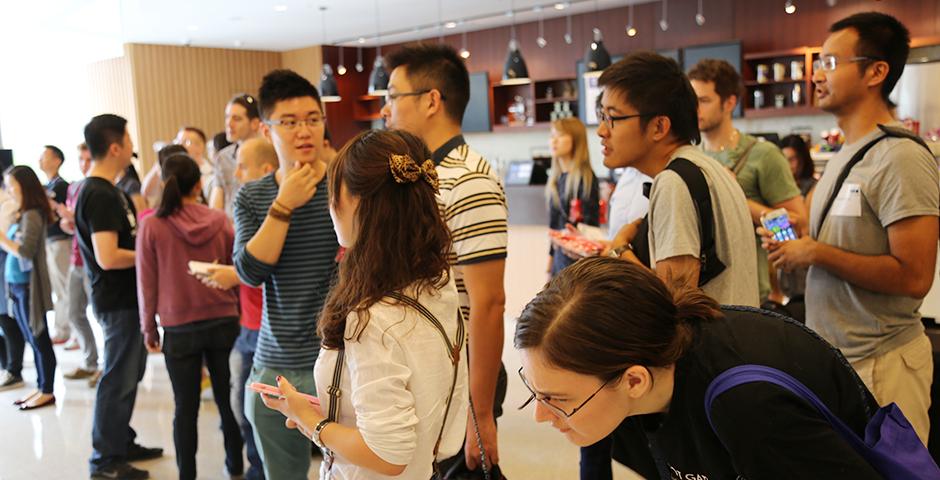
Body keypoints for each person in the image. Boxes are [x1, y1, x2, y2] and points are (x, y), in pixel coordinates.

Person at [517, 256, 887, 479]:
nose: (541, 415)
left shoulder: (749, 407)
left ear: (634, 380)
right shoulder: (632, 396)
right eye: (535, 392)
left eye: (558, 399)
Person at [761, 12, 939, 444]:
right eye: (817, 64)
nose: (817, 76)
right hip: (837, 361)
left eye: (830, 63)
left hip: (884, 365)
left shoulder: (901, 157)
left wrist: (817, 253)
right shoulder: (845, 153)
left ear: (876, 71)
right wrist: (800, 243)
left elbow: (915, 277)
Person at [261, 129, 469, 479]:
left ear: (358, 201)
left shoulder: (374, 319)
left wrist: (311, 421)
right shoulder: (436, 283)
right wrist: (330, 412)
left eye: (333, 192)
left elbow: (388, 454)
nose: (330, 205)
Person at [383, 43, 508, 478]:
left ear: (431, 100)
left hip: (461, 379)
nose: (386, 110)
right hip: (429, 372)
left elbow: (488, 302)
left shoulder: (469, 180)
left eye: (393, 96)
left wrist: (481, 412)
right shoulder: (422, 176)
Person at [233, 69, 339, 479]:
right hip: (274, 365)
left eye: (313, 119)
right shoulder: (253, 196)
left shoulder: (344, 188)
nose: (304, 131)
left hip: (338, 361)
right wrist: (284, 204)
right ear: (266, 128)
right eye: (290, 122)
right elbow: (250, 271)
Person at [600, 52, 758, 307]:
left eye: (613, 118)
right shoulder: (705, 167)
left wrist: (620, 252)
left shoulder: (674, 181)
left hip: (706, 345)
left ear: (659, 127)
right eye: (602, 115)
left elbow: (674, 304)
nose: (602, 130)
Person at [136, 153, 243, 480]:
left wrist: (148, 327)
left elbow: (147, 282)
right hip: (225, 320)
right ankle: (236, 466)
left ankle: (187, 475)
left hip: (178, 327)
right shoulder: (219, 219)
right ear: (199, 184)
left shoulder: (151, 225)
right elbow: (233, 268)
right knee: (228, 403)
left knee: (185, 408)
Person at [78, 114, 163, 480]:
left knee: (129, 374)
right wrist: (152, 257)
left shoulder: (107, 189)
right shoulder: (98, 193)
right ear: (115, 147)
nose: (132, 145)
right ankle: (105, 460)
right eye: (127, 139)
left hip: (125, 299)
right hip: (117, 301)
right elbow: (108, 256)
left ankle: (120, 441)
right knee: (117, 378)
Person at [689, 59, 806, 304]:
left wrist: (735, 196)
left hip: (751, 294)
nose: (694, 108)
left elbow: (796, 229)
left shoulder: (763, 155)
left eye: (704, 100)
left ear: (729, 102)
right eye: (692, 100)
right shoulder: (691, 155)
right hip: (702, 294)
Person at [197, 136, 280, 480]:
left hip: (268, 328)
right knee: (244, 407)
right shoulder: (246, 207)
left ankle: (261, 471)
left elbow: (266, 269)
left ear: (266, 169)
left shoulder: (277, 215)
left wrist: (233, 274)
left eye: (243, 166)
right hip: (248, 323)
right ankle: (255, 468)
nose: (237, 174)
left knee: (259, 412)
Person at [0, 166, 56, 410]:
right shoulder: (23, 214)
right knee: (32, 339)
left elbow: (25, 251)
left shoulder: (33, 214)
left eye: (13, 185)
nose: (9, 191)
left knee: (39, 337)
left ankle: (47, 390)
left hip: (29, 287)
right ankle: (41, 386)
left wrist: (2, 239)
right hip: (18, 285)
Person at [58, 143, 100, 383]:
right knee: (74, 312)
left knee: (101, 314)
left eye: (88, 159)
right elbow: (72, 225)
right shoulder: (74, 187)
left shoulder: (98, 189)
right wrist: (67, 223)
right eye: (80, 159)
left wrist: (74, 219)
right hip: (76, 258)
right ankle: (90, 359)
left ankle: (103, 366)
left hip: (92, 260)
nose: (84, 164)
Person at [545, 117, 599, 277]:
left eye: (560, 135)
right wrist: (549, 263)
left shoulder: (586, 178)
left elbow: (588, 226)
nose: (554, 141)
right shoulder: (556, 180)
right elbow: (555, 226)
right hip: (560, 258)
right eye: (552, 136)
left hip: (578, 262)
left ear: (575, 140)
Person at [38, 145, 72, 344]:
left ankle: (65, 331)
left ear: (57, 160)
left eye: (44, 156)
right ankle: (62, 329)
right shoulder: (48, 186)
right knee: (58, 289)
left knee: (65, 288)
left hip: (60, 240)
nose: (40, 160)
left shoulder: (60, 187)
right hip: (50, 242)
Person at [210, 94, 262, 218]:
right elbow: (216, 204)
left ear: (254, 123)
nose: (229, 124)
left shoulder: (268, 154)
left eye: (236, 119)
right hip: (230, 227)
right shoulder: (222, 157)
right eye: (227, 117)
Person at [0, 175, 24, 390]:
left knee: (7, 318)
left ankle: (13, 368)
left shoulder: (7, 205)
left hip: (6, 266)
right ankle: (7, 366)